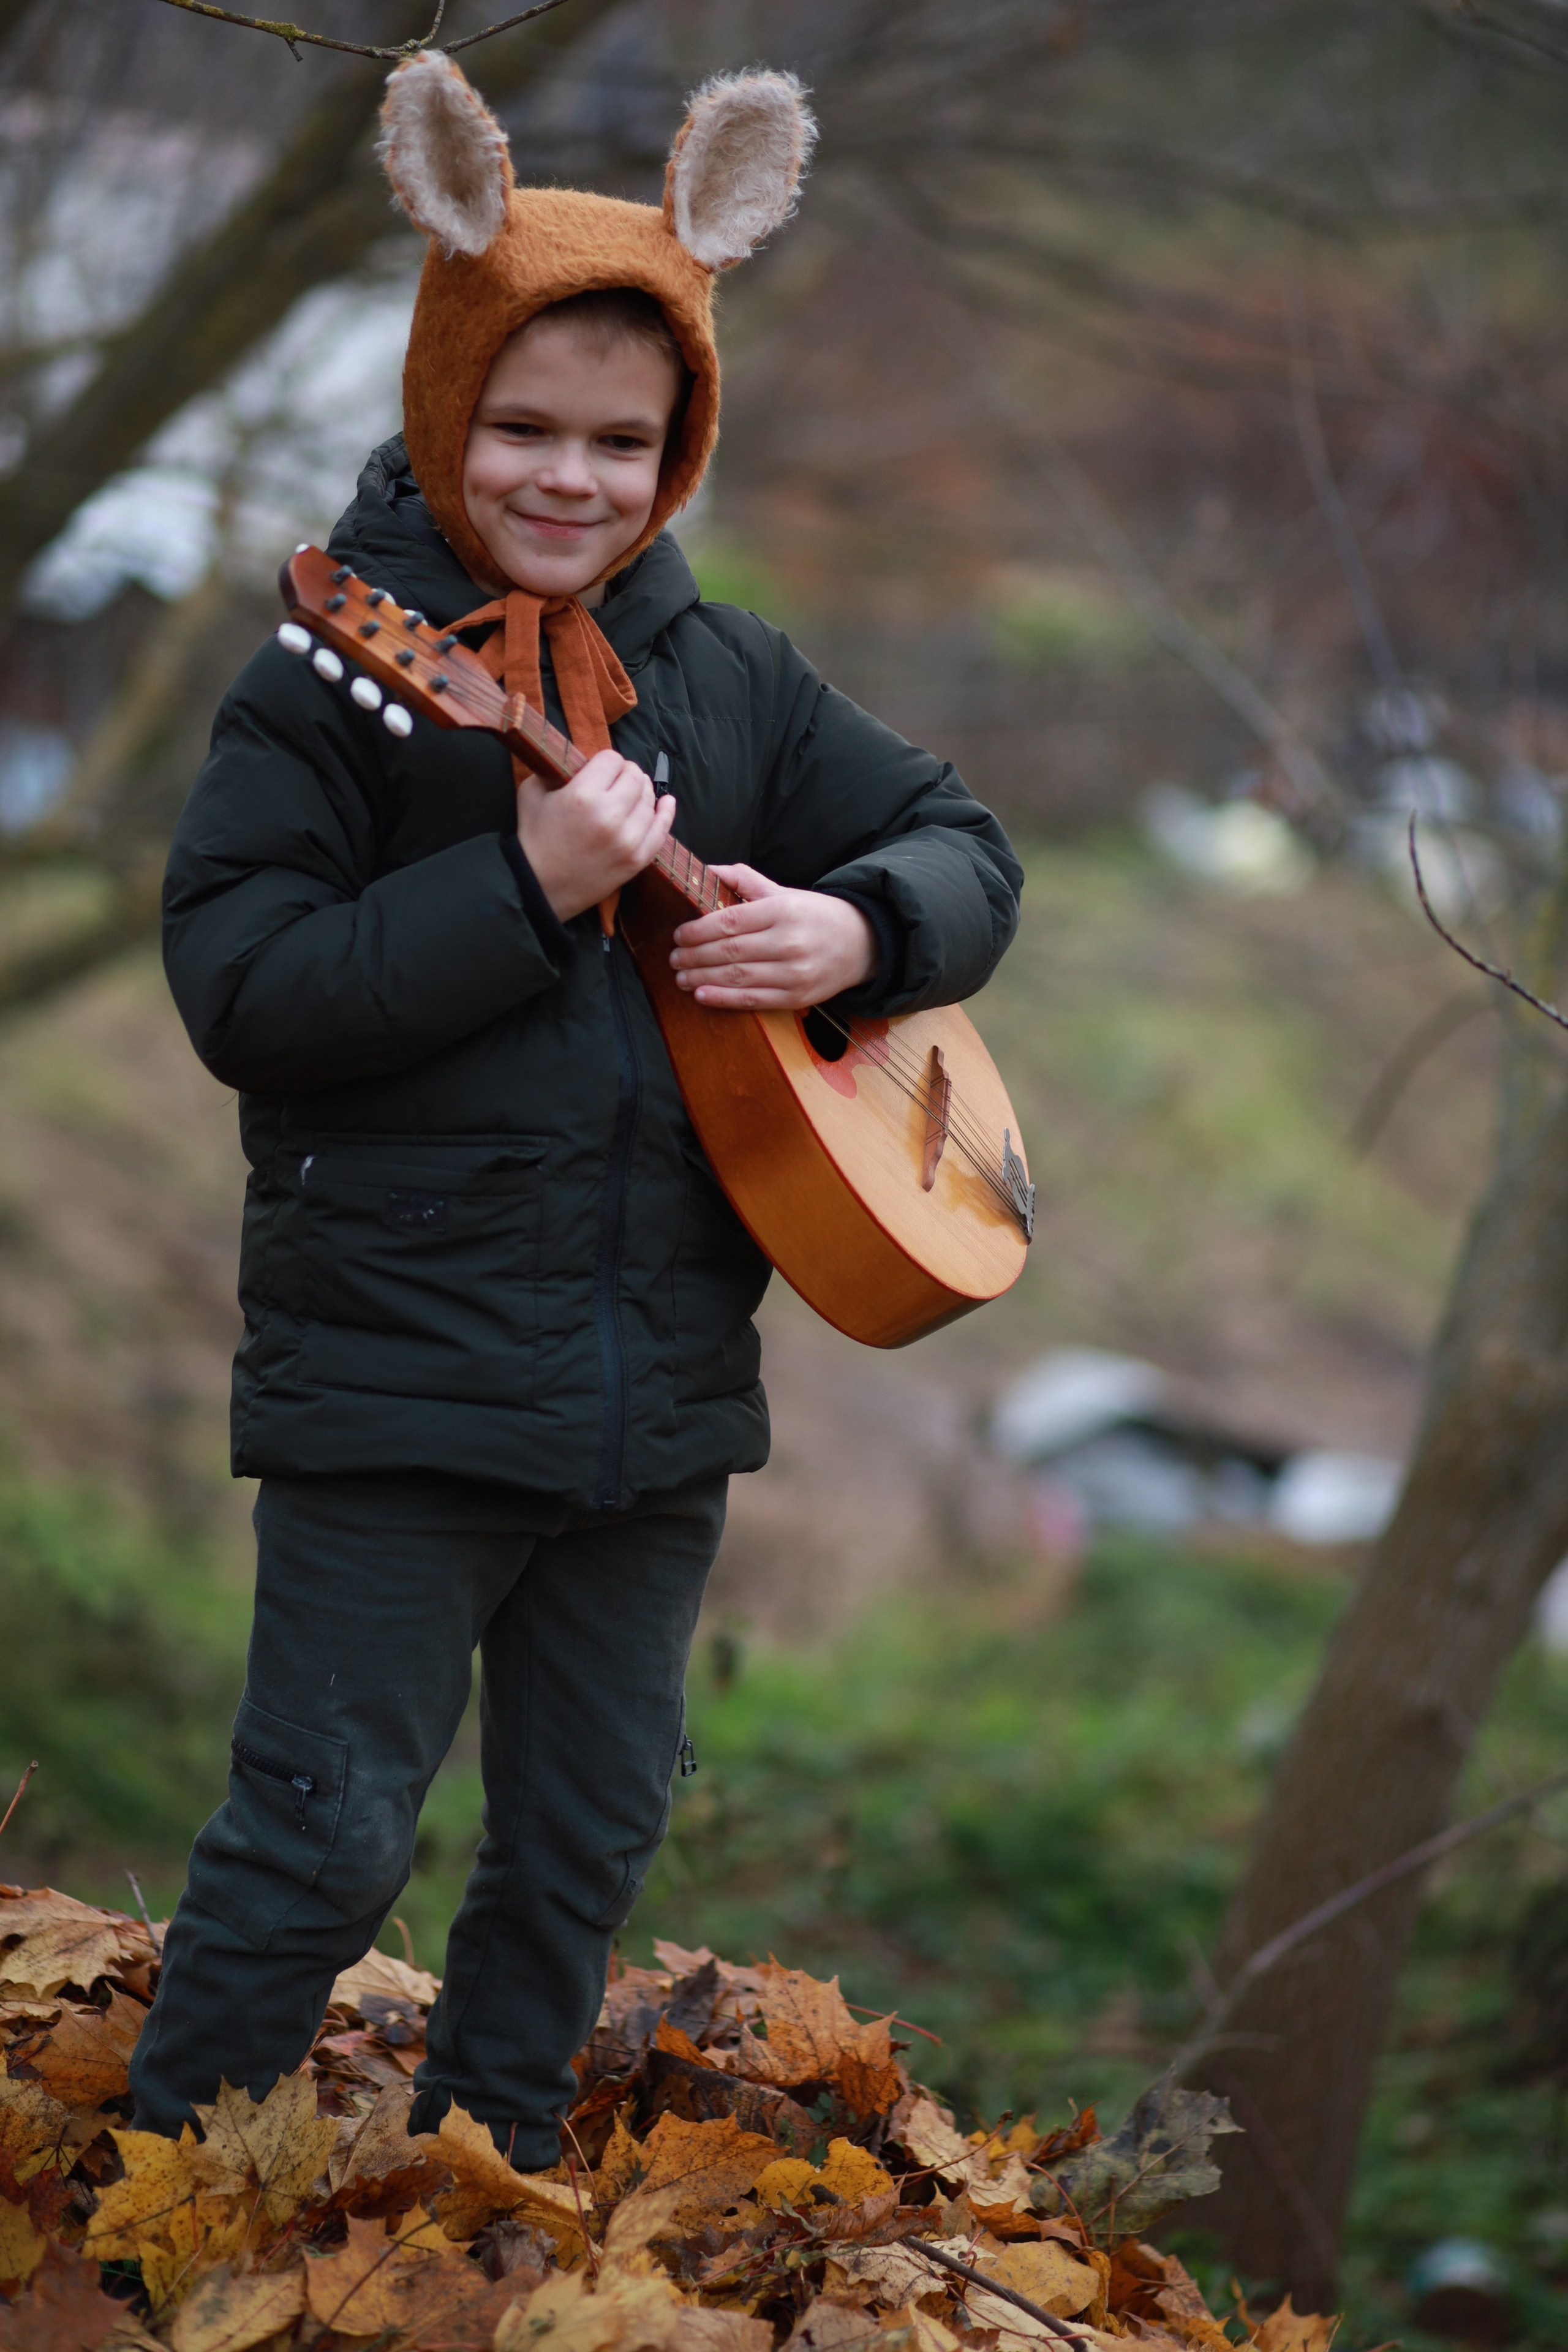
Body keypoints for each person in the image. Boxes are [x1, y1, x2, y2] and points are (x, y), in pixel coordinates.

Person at [129, 55, 1023, 2162]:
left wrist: (859, 936)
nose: (570, 479)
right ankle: (165, 2195)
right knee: (325, 1826)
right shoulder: (331, 679)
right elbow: (241, 991)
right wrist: (520, 886)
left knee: (591, 1834)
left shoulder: (736, 680)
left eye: (624, 442)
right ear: (447, 405)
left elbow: (966, 841)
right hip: (397, 1381)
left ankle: (491, 2163)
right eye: (523, 429)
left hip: (660, 1396)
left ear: (681, 446)